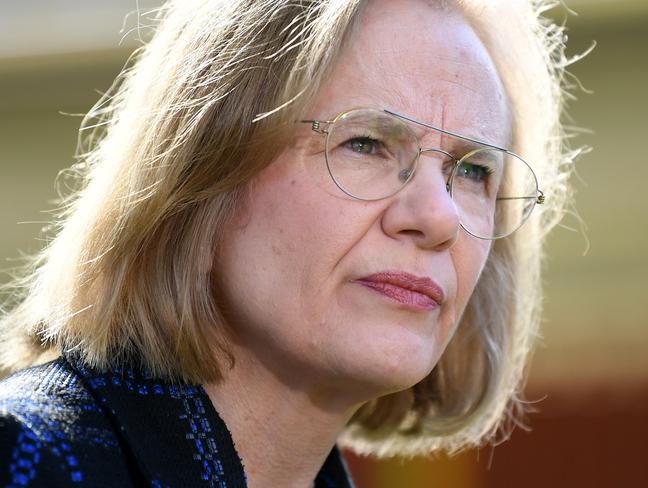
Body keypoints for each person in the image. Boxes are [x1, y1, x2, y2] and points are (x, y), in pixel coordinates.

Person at [0, 0, 575, 486]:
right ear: (201, 176)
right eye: (368, 143)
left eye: (474, 171)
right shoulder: (27, 460)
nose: (439, 217)